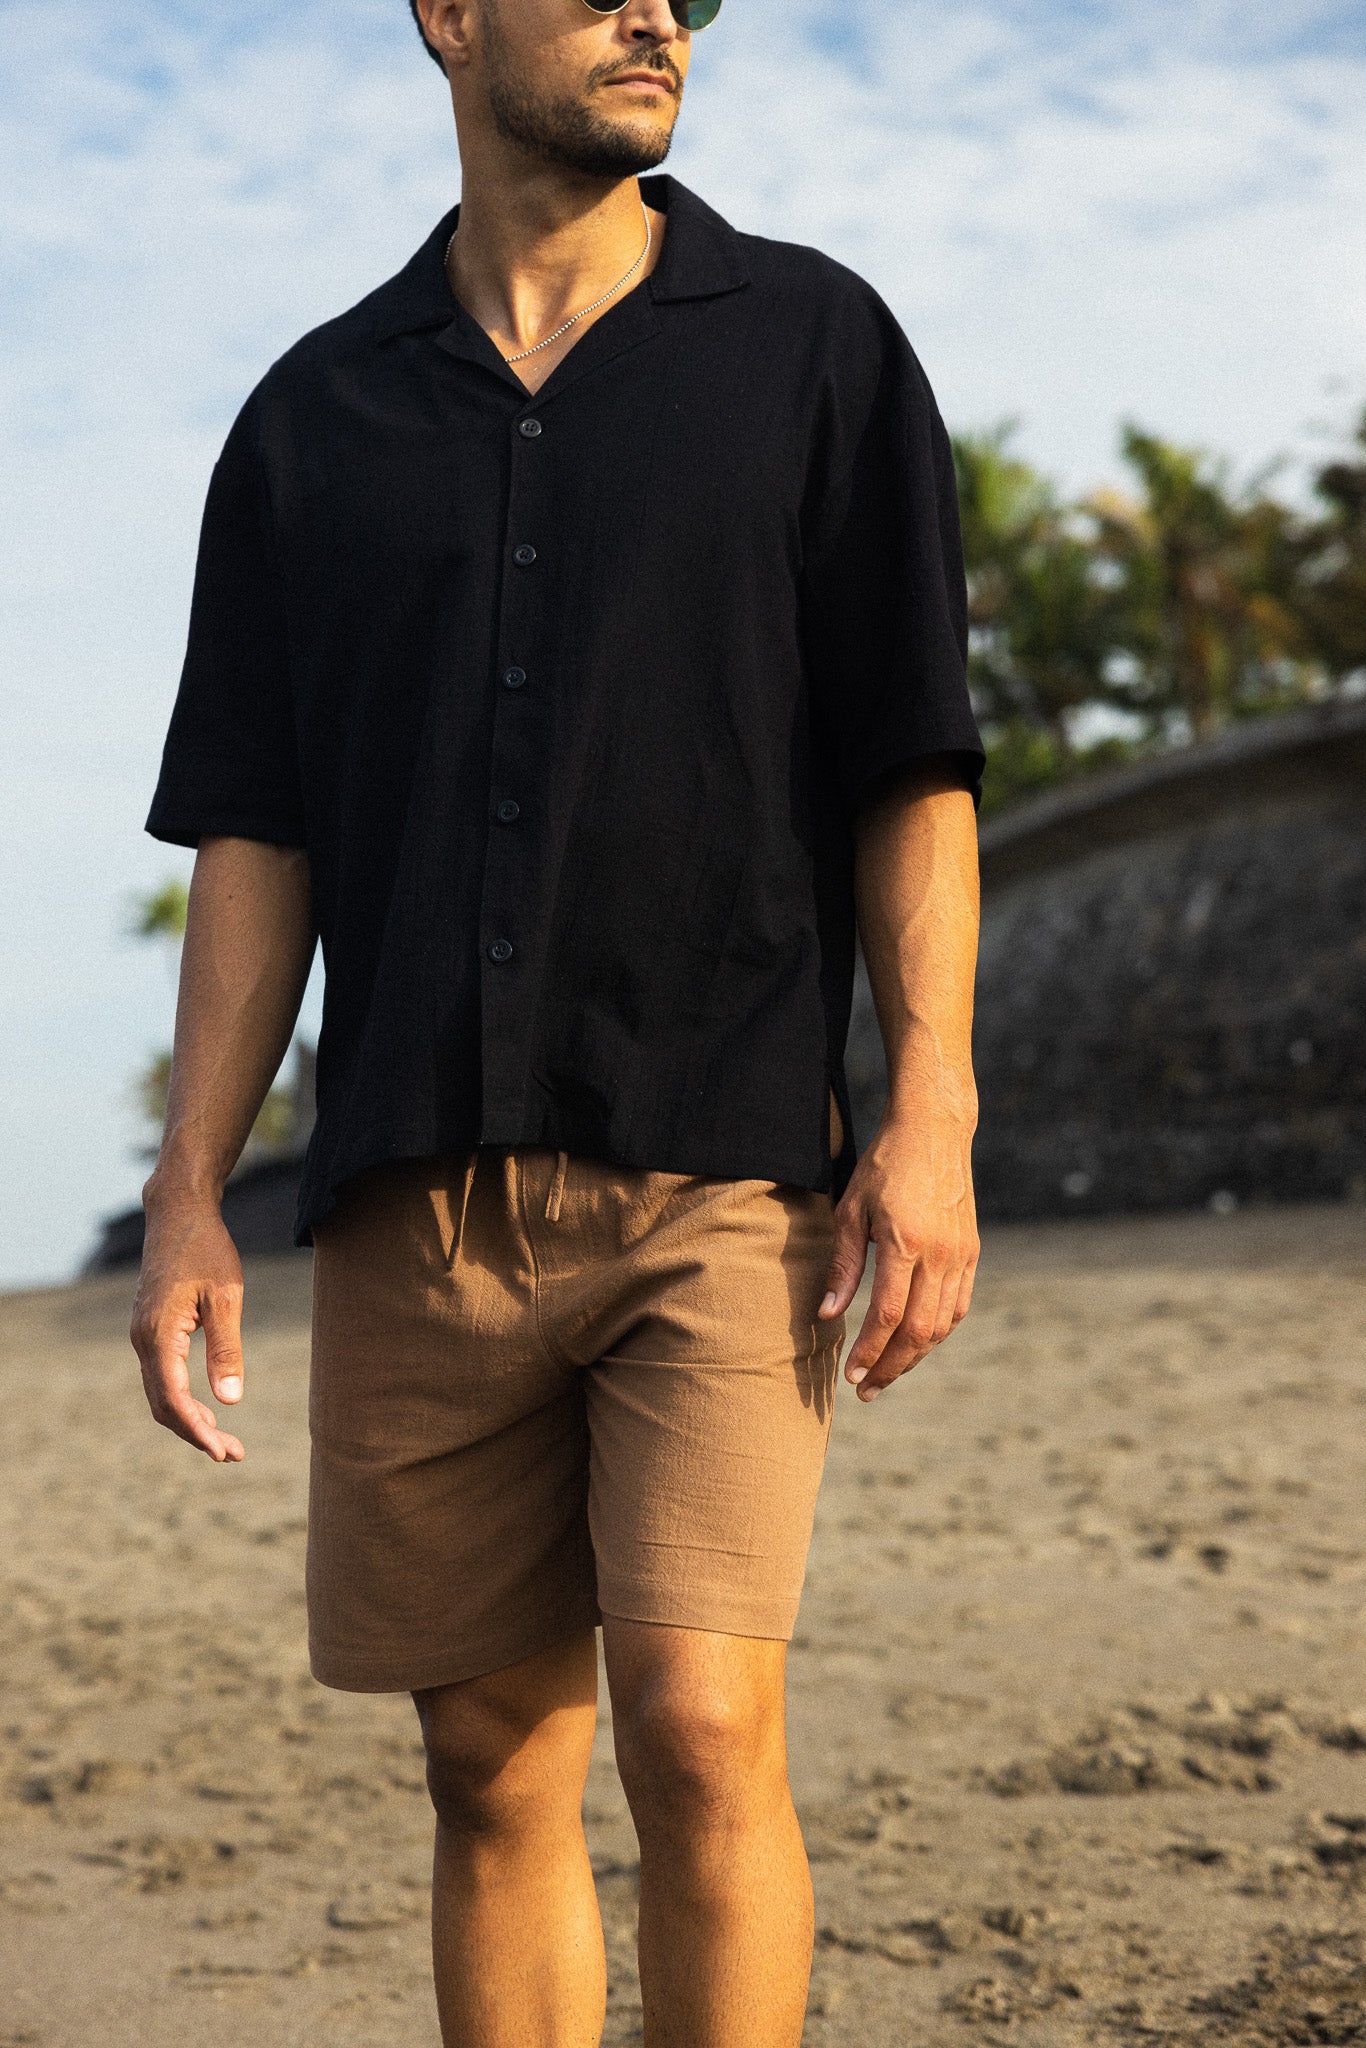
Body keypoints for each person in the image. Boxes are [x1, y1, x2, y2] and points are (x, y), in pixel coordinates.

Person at [130, 1, 984, 2041]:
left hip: (722, 1165)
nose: (657, 12)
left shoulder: (812, 352)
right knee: (487, 1759)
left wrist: (932, 1099)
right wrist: (184, 1190)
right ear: (443, 13)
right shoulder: (311, 421)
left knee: (696, 1722)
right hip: (412, 1195)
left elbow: (910, 762)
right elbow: (257, 832)